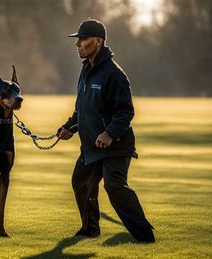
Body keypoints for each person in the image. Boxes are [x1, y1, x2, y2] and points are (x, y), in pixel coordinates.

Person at [57, 19, 155, 242]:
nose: (78, 44)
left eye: (83, 39)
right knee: (80, 182)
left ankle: (145, 236)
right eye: (78, 40)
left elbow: (125, 112)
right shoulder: (86, 71)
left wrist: (109, 133)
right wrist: (69, 127)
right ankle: (90, 228)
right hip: (91, 146)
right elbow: (83, 109)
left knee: (114, 186)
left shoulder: (114, 74)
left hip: (116, 145)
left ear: (98, 42)